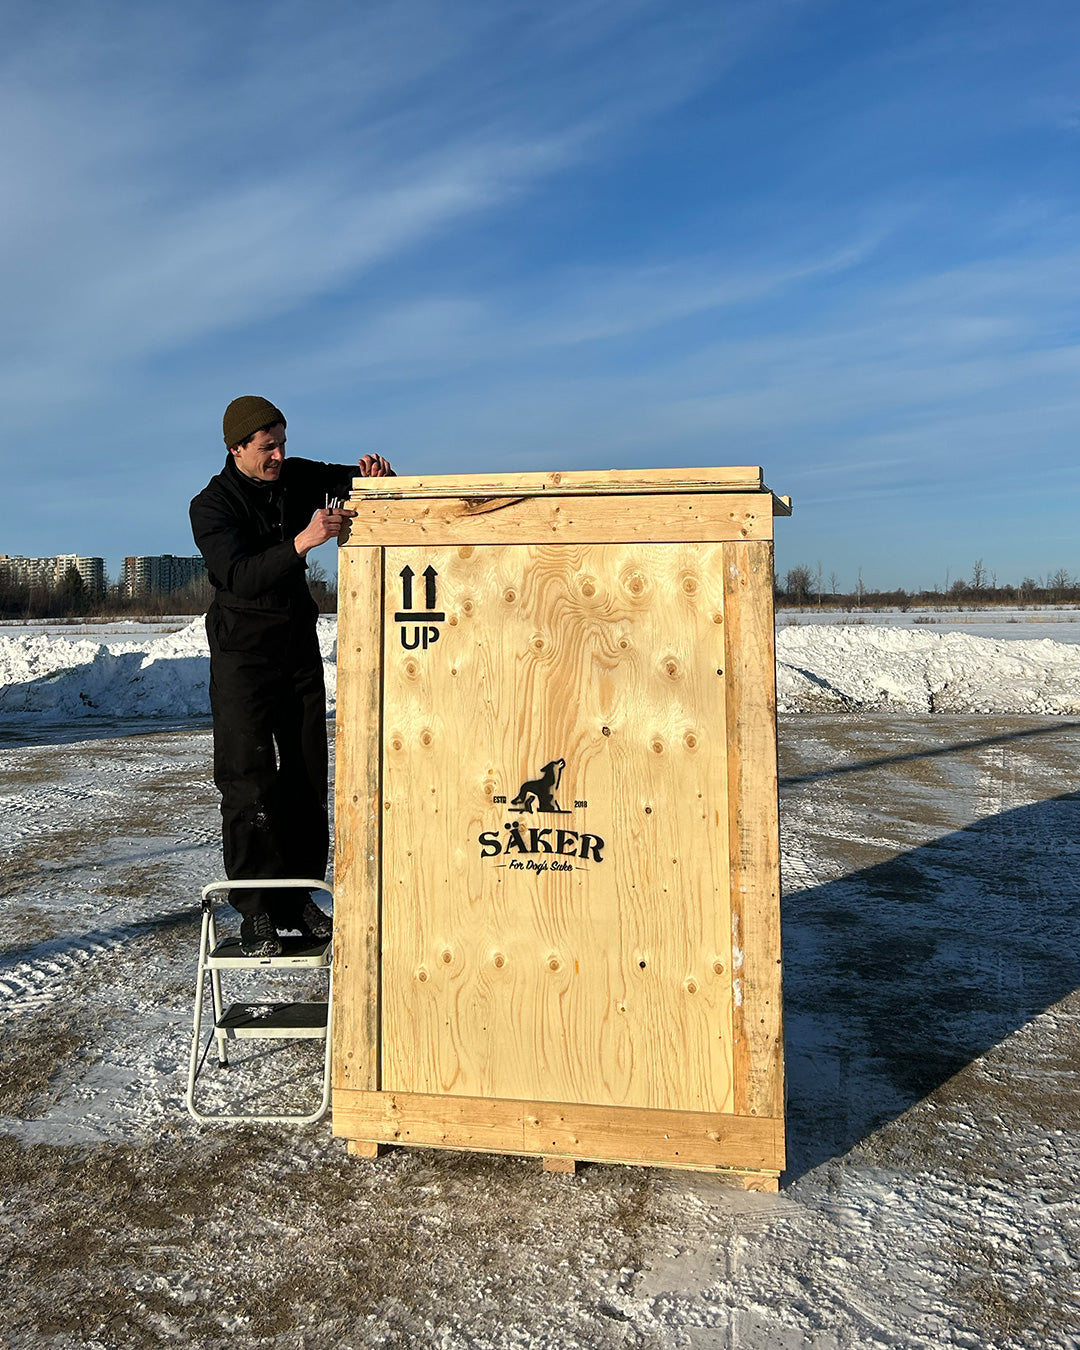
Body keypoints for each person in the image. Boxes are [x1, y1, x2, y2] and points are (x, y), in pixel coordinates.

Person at [190, 395, 392, 956]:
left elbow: (351, 481)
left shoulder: (297, 477)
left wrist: (373, 476)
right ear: (236, 449)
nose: (278, 455)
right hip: (242, 660)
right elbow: (237, 574)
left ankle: (301, 896)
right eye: (266, 447)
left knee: (305, 777)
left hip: (296, 652)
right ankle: (255, 911)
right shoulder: (210, 506)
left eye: (282, 442)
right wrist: (304, 541)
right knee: (248, 781)